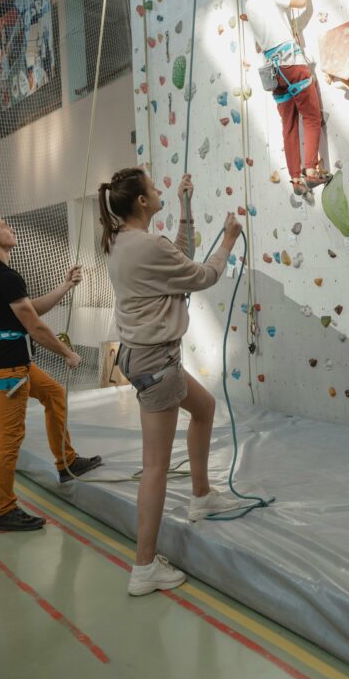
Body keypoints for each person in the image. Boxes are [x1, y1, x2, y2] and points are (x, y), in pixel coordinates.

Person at [99, 167, 243, 596]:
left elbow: (178, 255)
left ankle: (201, 495)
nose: (159, 189)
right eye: (154, 188)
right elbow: (201, 276)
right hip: (156, 362)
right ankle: (144, 567)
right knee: (156, 467)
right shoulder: (146, 246)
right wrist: (230, 242)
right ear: (142, 201)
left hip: (148, 357)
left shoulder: (125, 242)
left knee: (205, 408)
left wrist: (185, 204)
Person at [0, 212, 102, 532]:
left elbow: (28, 311)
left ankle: (67, 461)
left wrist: (65, 286)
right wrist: (68, 353)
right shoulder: (3, 276)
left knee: (54, 394)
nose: (11, 228)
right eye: (4, 226)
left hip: (14, 362)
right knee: (8, 439)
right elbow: (34, 326)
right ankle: (3, 510)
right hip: (10, 368)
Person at [240, 0, 330, 197]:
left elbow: (261, 43)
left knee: (288, 126)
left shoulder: (249, 5)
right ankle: (311, 170)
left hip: (274, 72)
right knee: (311, 117)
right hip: (292, 64)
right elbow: (300, 2)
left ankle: (296, 178)